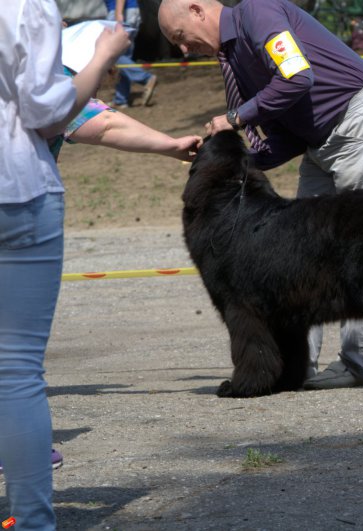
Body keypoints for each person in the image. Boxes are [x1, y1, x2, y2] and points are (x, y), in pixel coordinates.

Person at [157, 0, 363, 390]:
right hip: (317, 141)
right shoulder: (234, 56)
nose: (184, 50)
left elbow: (295, 78)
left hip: (358, 120)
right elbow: (283, 129)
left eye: (181, 37)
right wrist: (227, 160)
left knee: (362, 246)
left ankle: (361, 364)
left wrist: (234, 119)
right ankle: (294, 365)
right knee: (299, 250)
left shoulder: (258, 14)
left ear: (197, 10)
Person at [0, 2, 130, 528]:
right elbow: (47, 112)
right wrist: (102, 57)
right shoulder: (26, 5)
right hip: (18, 189)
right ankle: (32, 522)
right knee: (16, 372)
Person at [105, 0, 158, 108]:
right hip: (128, 12)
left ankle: (146, 78)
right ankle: (121, 99)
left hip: (121, 13)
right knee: (123, 57)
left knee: (115, 55)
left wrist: (118, 14)